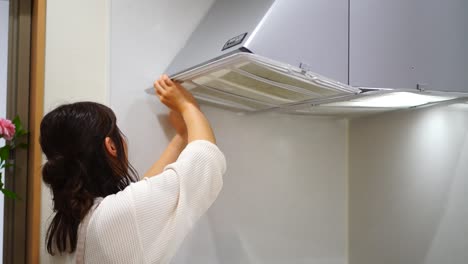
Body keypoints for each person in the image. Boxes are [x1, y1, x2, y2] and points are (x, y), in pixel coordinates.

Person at [40, 75, 226, 263]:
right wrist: (188, 106)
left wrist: (182, 136)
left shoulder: (64, 227)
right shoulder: (112, 216)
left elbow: (142, 196)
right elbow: (205, 160)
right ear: (111, 145)